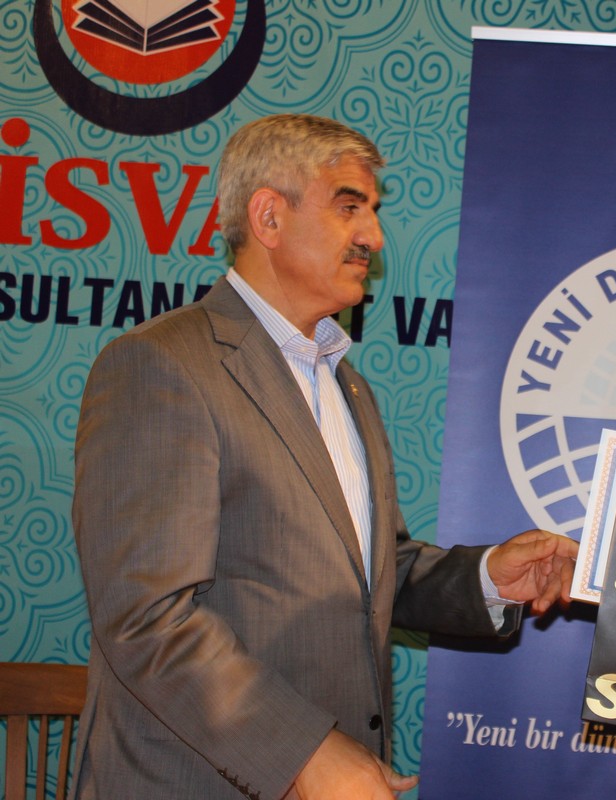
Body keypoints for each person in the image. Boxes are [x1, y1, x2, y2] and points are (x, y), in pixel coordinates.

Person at [70, 114, 578, 800]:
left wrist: (489, 578)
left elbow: (374, 573)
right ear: (268, 217)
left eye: (373, 211)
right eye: (348, 207)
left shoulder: (345, 381)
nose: (374, 236)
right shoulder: (161, 366)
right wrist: (305, 753)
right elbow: (146, 618)